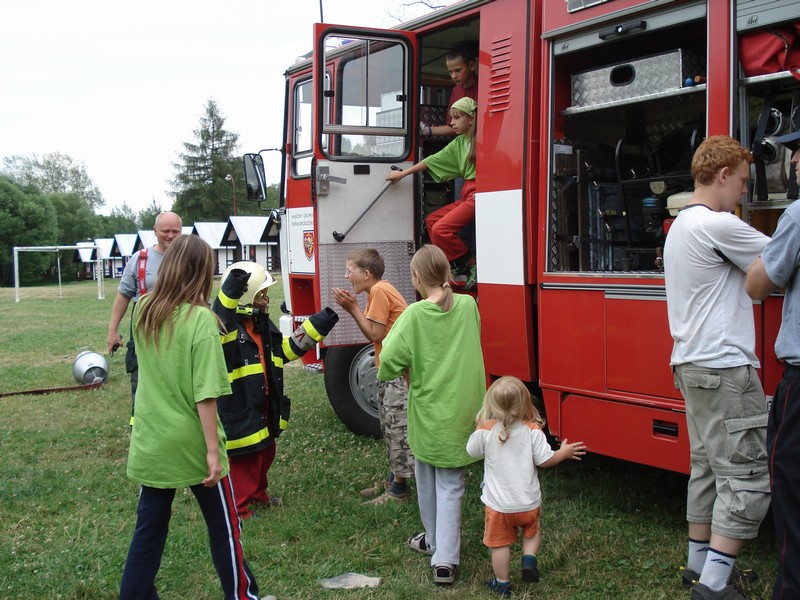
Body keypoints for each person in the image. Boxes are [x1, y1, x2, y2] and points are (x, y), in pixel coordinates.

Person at [119, 235, 265, 600]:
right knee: (225, 529)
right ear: (202, 273)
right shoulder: (202, 320)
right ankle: (242, 596)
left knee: (148, 530)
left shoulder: (143, 309)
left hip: (151, 441)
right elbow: (206, 393)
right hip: (194, 446)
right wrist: (213, 453)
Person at [664, 135, 771, 600]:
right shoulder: (717, 224)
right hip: (726, 367)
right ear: (723, 174)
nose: (745, 191)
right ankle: (713, 587)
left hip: (690, 363)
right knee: (746, 477)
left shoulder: (682, 225)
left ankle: (698, 567)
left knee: (706, 468)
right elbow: (785, 252)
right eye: (743, 181)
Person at [377, 244, 485, 586]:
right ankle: (441, 549)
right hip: (464, 410)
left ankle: (442, 552)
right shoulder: (468, 305)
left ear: (417, 277)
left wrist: (407, 364)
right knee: (451, 483)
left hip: (429, 412)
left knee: (426, 477)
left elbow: (387, 362)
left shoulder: (414, 314)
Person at [212, 261, 339, 519]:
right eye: (262, 294)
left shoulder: (260, 324)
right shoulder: (225, 329)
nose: (267, 299)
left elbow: (283, 350)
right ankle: (240, 508)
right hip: (241, 406)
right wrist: (233, 286)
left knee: (265, 453)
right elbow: (220, 315)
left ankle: (259, 496)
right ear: (246, 296)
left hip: (263, 404)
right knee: (246, 461)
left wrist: (319, 324)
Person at [466, 376, 586, 597]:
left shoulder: (486, 431)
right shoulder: (532, 431)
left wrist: (480, 426)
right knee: (531, 532)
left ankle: (502, 583)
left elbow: (471, 451)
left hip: (499, 507)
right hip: (528, 504)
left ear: (491, 404)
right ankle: (529, 558)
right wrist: (564, 453)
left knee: (500, 545)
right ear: (525, 404)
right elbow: (545, 460)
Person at [745, 126, 800, 600]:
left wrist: (767, 252)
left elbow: (759, 285)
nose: (795, 162)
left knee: (790, 480)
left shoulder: (798, 214)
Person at [331, 248, 414, 505]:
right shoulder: (378, 290)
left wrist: (352, 308)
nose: (346, 276)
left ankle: (398, 491)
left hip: (399, 374)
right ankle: (393, 477)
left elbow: (375, 335)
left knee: (397, 427)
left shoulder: (378, 291)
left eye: (350, 271)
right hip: (391, 370)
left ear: (366, 273)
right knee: (389, 426)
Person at [388, 97, 479, 287]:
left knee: (441, 229)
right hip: (467, 193)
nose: (452, 123)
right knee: (432, 221)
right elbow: (432, 160)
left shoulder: (483, 140)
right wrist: (403, 174)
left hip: (479, 193)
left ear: (471, 119)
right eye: (451, 118)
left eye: (457, 118)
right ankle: (459, 265)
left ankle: (470, 264)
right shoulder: (459, 142)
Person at [107, 211, 182, 421]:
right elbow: (123, 295)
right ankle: (139, 424)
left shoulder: (187, 258)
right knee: (141, 381)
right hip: (144, 330)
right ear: (155, 231)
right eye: (165, 231)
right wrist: (113, 331)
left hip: (180, 329)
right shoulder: (140, 259)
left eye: (175, 231)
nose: (170, 236)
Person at [419, 43, 479, 139]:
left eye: (458, 70)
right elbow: (453, 126)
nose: (454, 76)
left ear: (471, 66)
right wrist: (427, 130)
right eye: (450, 71)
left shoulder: (484, 86)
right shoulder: (456, 91)